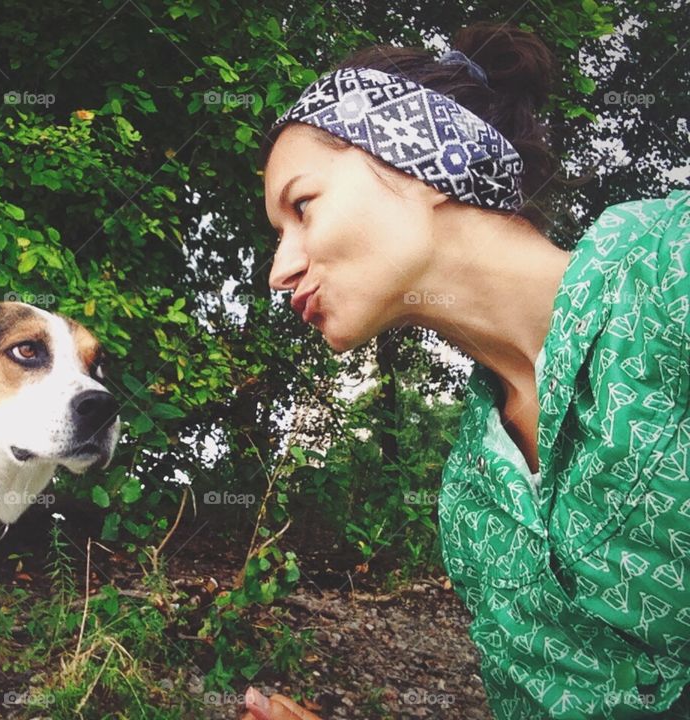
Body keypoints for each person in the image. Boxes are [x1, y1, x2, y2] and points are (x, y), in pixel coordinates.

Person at [240, 22, 690, 720]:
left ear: (425, 159)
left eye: (303, 206)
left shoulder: (670, 270)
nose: (280, 270)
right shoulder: (473, 506)